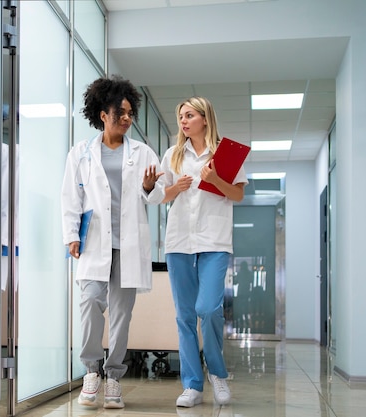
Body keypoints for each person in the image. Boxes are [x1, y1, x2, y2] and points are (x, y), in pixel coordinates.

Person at [61, 75, 164, 409]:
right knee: (90, 303)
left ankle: (114, 378)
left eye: (130, 112)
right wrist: (71, 235)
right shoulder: (81, 153)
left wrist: (149, 187)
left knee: (122, 314)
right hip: (94, 242)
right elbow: (70, 197)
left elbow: (158, 194)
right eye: (120, 111)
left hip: (129, 244)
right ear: (102, 114)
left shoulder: (143, 152)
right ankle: (91, 371)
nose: (126, 118)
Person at [159, 96, 247, 407]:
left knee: (209, 309)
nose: (183, 121)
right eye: (180, 116)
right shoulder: (173, 155)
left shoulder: (225, 153)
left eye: (190, 115)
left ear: (205, 119)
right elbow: (160, 196)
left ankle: (217, 374)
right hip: (179, 241)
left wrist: (216, 179)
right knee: (184, 316)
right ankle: (192, 385)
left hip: (214, 241)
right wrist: (175, 188)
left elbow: (237, 194)